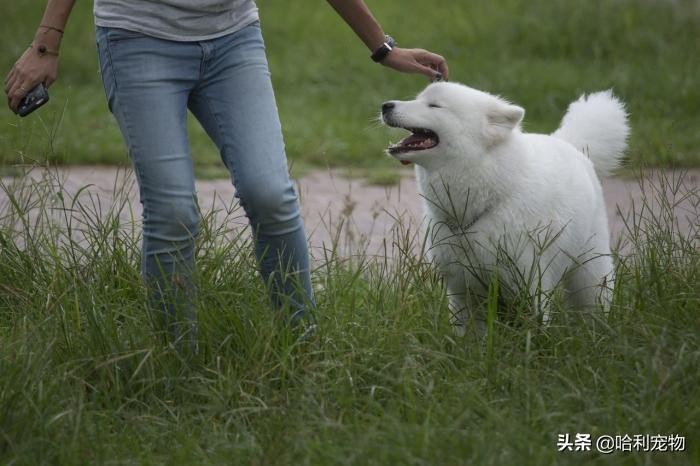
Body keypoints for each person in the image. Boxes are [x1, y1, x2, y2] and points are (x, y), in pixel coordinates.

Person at [4, 0, 449, 348]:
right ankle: (175, 362)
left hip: (232, 41)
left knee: (270, 194)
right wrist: (46, 45)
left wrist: (383, 47)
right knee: (173, 210)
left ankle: (303, 347)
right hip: (136, 42)